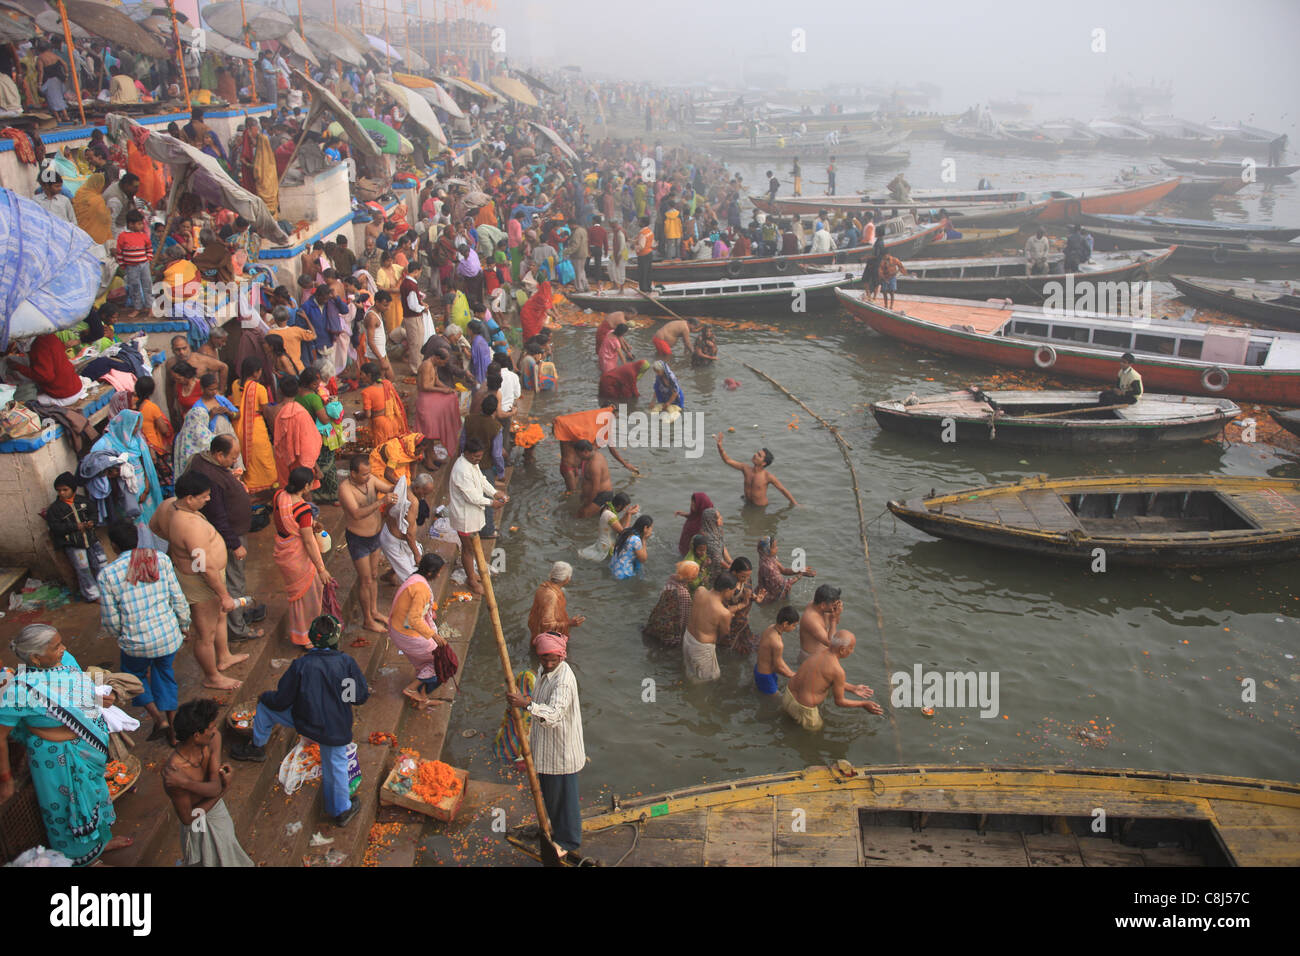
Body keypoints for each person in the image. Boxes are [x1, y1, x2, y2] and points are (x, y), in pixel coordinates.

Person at [0, 625, 130, 865]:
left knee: (95, 796)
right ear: (36, 657)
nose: (64, 649)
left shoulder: (65, 661)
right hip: (56, 761)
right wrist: (6, 780)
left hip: (87, 749)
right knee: (66, 809)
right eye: (56, 647)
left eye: (61, 643)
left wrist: (98, 698)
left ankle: (101, 844)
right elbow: (1, 735)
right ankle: (83, 858)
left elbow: (78, 691)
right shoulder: (20, 689)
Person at [231, 616, 368, 827]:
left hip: (306, 721)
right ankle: (341, 811)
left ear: (312, 639)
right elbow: (358, 697)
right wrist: (341, 693)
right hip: (335, 729)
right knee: (336, 767)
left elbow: (282, 699)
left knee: (265, 707)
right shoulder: (345, 663)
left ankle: (257, 747)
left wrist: (265, 697)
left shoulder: (301, 665)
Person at [150, 472, 248, 692]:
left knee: (219, 617)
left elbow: (154, 525)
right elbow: (203, 565)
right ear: (189, 498)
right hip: (201, 581)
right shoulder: (189, 525)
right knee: (205, 633)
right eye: (204, 496)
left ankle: (224, 656)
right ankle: (212, 676)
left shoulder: (168, 506)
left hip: (202, 575)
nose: (208, 500)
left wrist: (176, 546)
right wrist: (223, 594)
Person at [505, 630, 585, 860]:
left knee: (564, 798)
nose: (549, 663)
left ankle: (568, 840)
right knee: (551, 795)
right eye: (544, 659)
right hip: (547, 748)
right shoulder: (544, 670)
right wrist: (524, 701)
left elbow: (555, 714)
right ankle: (554, 827)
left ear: (562, 656)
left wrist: (527, 704)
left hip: (561, 751)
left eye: (554, 659)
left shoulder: (564, 681)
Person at [185, 435, 264, 642]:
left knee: (235, 579)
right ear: (219, 455)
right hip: (228, 537)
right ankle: (237, 629)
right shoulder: (211, 475)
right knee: (234, 580)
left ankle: (239, 616)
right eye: (233, 457)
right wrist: (235, 544)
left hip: (232, 532)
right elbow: (218, 515)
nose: (235, 461)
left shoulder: (206, 461)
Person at [160, 698, 254, 866]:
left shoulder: (213, 739)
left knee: (229, 851)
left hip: (216, 809)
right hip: (197, 821)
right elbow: (188, 818)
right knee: (203, 860)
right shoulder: (174, 772)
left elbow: (215, 787)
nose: (214, 730)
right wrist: (224, 789)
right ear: (196, 735)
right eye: (210, 728)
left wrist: (186, 784)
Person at [782, 631, 883, 730]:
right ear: (842, 650)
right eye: (851, 648)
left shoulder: (819, 651)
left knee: (789, 722)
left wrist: (853, 688)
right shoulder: (837, 671)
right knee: (815, 733)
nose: (852, 651)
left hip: (788, 695)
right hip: (804, 708)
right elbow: (839, 702)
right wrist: (863, 704)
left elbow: (824, 677)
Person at [338, 455, 394, 633]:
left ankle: (375, 611)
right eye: (363, 474)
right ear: (353, 473)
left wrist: (401, 486)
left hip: (375, 536)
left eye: (368, 473)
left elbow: (387, 487)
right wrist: (381, 502)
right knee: (365, 579)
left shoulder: (370, 480)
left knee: (375, 574)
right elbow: (356, 513)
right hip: (358, 539)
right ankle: (368, 620)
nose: (367, 477)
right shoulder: (345, 489)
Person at [389, 552, 449, 712]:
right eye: (439, 572)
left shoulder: (415, 578)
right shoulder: (421, 589)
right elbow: (415, 619)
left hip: (399, 628)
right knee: (442, 663)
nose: (440, 575)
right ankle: (412, 688)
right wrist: (434, 635)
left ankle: (423, 698)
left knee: (431, 660)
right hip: (406, 633)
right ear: (430, 573)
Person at [449, 437, 508, 594]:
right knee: (468, 549)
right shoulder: (461, 469)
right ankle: (472, 581)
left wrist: (495, 493)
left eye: (480, 457)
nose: (478, 460)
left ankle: (472, 575)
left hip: (472, 514)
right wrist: (491, 503)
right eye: (475, 457)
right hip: (464, 516)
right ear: (467, 453)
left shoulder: (472, 464)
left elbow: (482, 481)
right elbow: (472, 497)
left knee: (473, 547)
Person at [45, 473, 107, 602]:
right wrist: (75, 526)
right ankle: (93, 595)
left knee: (100, 564)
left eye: (65, 490)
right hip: (74, 544)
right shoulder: (55, 509)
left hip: (91, 539)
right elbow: (55, 527)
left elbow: (94, 513)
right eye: (59, 490)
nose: (61, 493)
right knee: (83, 569)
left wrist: (92, 522)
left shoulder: (83, 501)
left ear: (73, 489)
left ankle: (106, 589)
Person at [682, 570, 738, 682]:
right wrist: (729, 616)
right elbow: (724, 634)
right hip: (701, 648)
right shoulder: (723, 612)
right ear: (727, 590)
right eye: (733, 591)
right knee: (707, 680)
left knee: (690, 671)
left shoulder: (700, 591)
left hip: (688, 638)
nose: (733, 594)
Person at [380, 471, 434, 583]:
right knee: (413, 580)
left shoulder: (403, 488)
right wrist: (417, 555)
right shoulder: (413, 502)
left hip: (390, 533)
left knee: (413, 561)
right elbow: (409, 534)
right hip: (394, 542)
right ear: (417, 488)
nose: (424, 497)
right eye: (424, 493)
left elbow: (387, 511)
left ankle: (389, 575)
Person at [232, 358, 277, 495]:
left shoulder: (235, 384)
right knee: (264, 460)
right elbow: (266, 411)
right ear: (256, 372)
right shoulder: (259, 388)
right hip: (255, 427)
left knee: (248, 460)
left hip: (238, 426)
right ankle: (266, 489)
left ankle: (248, 486)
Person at [715, 435, 797, 507]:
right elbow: (728, 461)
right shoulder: (745, 468)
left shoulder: (767, 477)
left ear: (764, 463)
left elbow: (783, 490)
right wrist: (720, 448)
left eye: (759, 455)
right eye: (757, 453)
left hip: (760, 508)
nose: (755, 455)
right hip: (747, 504)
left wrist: (795, 504)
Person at [272, 375, 322, 492]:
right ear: (298, 390)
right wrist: (315, 467)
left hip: (284, 460)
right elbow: (309, 443)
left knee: (288, 491)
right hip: (301, 460)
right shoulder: (301, 413)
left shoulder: (276, 411)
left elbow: (277, 441)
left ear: (280, 391)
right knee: (304, 491)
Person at [642, 560, 697, 647]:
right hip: (670, 629)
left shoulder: (671, 579)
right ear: (690, 578)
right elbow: (684, 617)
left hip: (657, 619)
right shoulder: (683, 594)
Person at [719, 556, 766, 654]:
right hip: (731, 624)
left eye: (748, 576)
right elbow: (723, 610)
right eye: (743, 576)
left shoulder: (746, 579)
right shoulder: (727, 585)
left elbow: (748, 592)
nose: (746, 579)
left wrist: (757, 598)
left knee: (752, 647)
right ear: (734, 572)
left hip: (742, 621)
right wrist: (743, 604)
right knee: (727, 649)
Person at [528, 561, 585, 640]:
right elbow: (546, 625)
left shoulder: (542, 588)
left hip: (536, 633)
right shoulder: (552, 596)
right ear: (567, 579)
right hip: (546, 641)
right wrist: (569, 623)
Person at [756, 534, 815, 606]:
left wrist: (800, 570)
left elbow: (784, 570)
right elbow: (784, 584)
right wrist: (801, 575)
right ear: (767, 550)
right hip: (771, 600)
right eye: (774, 547)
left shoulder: (769, 559)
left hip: (772, 593)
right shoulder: (768, 567)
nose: (777, 548)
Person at [754, 606, 800, 695]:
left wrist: (792, 673)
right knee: (776, 700)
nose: (794, 628)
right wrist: (794, 676)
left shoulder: (771, 628)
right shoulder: (777, 644)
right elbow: (778, 666)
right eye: (794, 625)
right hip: (766, 676)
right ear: (785, 624)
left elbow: (778, 662)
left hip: (759, 668)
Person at [579, 491, 636, 561]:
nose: (624, 510)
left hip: (603, 544)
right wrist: (629, 515)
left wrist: (627, 514)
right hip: (607, 548)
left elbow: (617, 525)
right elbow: (624, 533)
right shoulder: (610, 515)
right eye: (625, 508)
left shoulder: (607, 509)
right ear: (620, 506)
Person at [798, 584, 843, 665]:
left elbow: (837, 621)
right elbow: (831, 644)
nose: (835, 607)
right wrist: (833, 619)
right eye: (833, 605)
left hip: (820, 655)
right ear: (823, 605)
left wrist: (837, 613)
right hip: (810, 660)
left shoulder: (819, 606)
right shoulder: (811, 619)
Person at [610, 515, 653, 580]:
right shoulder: (635, 540)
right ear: (645, 528)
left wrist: (629, 514)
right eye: (651, 527)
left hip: (613, 567)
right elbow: (643, 559)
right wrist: (644, 540)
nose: (651, 530)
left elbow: (626, 526)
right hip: (623, 574)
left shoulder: (626, 532)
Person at [635, 215, 655, 293]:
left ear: (643, 223)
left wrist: (635, 246)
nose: (638, 222)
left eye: (640, 221)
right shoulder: (650, 231)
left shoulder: (642, 233)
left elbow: (641, 246)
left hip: (643, 255)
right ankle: (648, 287)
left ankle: (643, 289)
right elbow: (652, 243)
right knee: (648, 272)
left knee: (642, 272)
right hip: (649, 253)